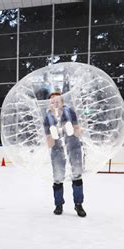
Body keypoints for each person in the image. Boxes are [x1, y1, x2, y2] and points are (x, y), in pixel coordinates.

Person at [44, 88, 86, 217]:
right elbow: (49, 142)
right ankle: (58, 204)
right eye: (52, 101)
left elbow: (78, 131)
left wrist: (76, 130)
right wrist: (51, 136)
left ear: (62, 101)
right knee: (57, 177)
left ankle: (78, 204)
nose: (55, 102)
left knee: (77, 175)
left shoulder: (70, 112)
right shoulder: (47, 118)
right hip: (57, 150)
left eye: (58, 100)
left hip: (74, 147)